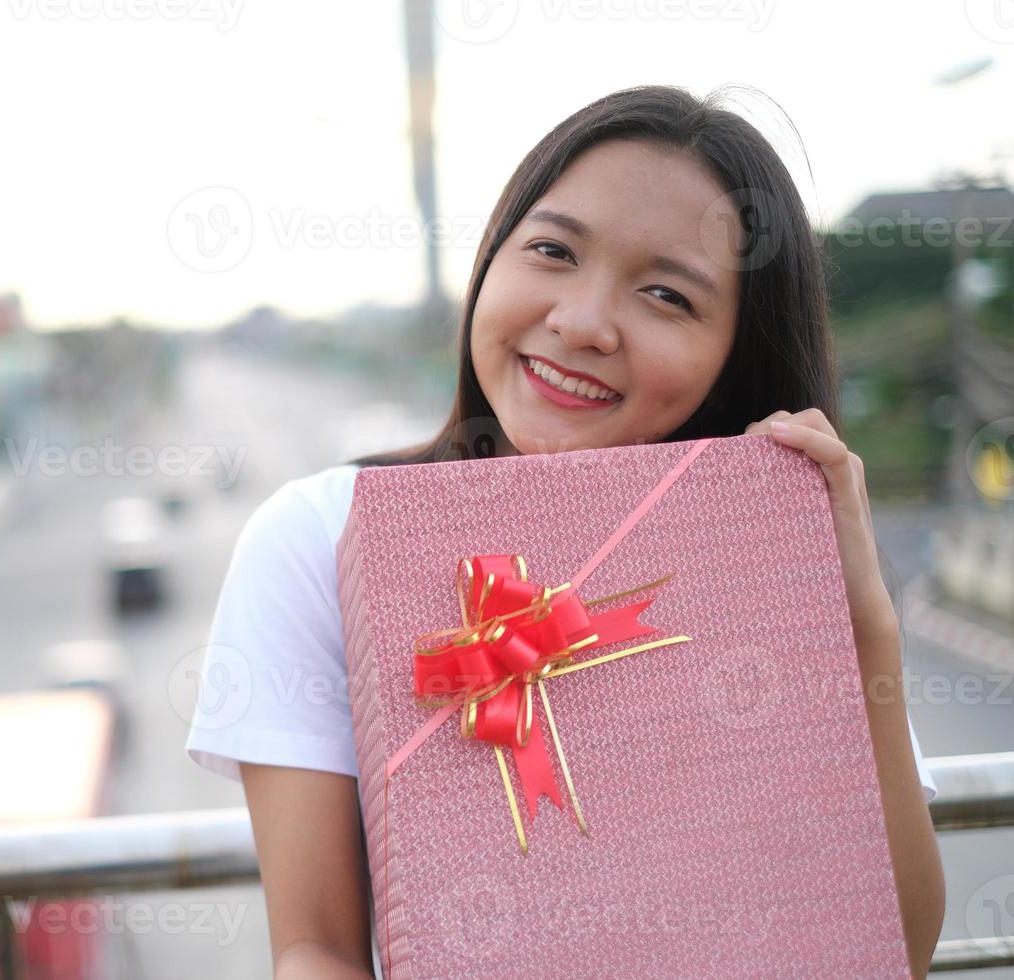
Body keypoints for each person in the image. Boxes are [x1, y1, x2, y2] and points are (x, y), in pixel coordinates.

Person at [184, 83, 946, 979]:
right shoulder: (317, 538)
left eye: (666, 295)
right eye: (552, 249)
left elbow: (899, 944)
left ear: (734, 353)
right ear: (491, 258)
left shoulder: (765, 553)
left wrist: (864, 630)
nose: (582, 323)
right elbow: (317, 949)